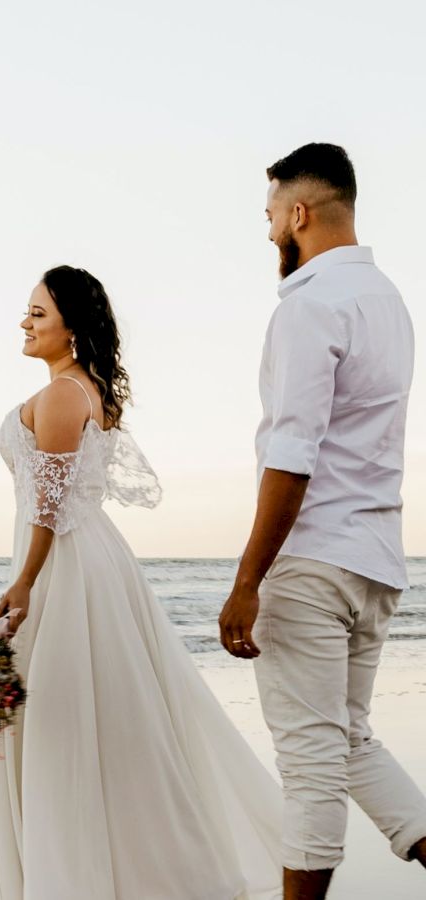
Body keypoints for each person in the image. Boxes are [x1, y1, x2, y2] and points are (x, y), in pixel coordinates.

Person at [0, 265, 283, 899]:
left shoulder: (64, 394)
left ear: (72, 325)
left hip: (65, 564)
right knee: (105, 719)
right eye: (27, 312)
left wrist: (27, 582)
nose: (25, 323)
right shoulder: (87, 389)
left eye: (38, 313)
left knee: (68, 721)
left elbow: (51, 505)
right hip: (90, 559)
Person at [218, 142, 426, 899]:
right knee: (350, 738)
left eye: (272, 214)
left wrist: (248, 581)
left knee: (310, 763)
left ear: (299, 212)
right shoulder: (390, 302)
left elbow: (293, 453)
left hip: (310, 565)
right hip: (375, 560)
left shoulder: (310, 306)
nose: (270, 229)